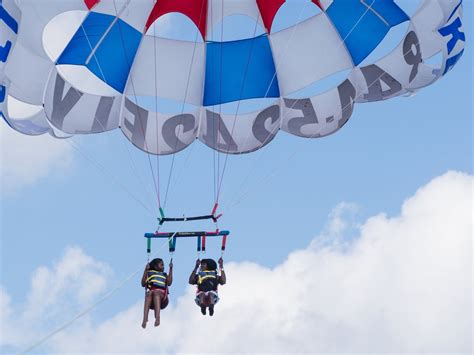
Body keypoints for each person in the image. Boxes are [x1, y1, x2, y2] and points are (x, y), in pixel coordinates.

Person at [141, 258, 173, 328]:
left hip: (163, 298)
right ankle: (145, 319)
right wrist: (146, 270)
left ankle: (157, 318)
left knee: (156, 292)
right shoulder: (150, 274)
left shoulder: (164, 275)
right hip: (152, 300)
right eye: (161, 265)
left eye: (163, 265)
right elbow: (143, 283)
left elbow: (169, 282)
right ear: (155, 266)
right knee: (149, 293)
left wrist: (170, 269)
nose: (163, 266)